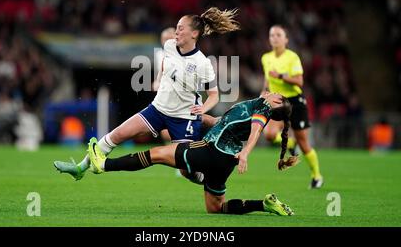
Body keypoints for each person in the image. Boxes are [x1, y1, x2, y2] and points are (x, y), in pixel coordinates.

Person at [54, 7, 241, 181]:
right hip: (157, 109)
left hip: (183, 118)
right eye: (176, 27)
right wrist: (160, 79)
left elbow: (214, 94)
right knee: (117, 134)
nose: (176, 32)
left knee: (186, 170)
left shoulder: (202, 63)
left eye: (180, 28)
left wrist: (203, 108)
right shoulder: (169, 46)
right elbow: (165, 64)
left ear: (194, 33)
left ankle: (208, 179)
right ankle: (80, 168)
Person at [87, 92, 297, 215]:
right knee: (216, 208)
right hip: (225, 162)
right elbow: (219, 122)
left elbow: (257, 128)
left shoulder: (264, 109)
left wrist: (246, 153)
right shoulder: (254, 106)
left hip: (211, 150)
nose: (271, 92)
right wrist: (199, 115)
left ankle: (103, 165)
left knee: (156, 154)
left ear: (276, 103)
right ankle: (264, 204)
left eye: (277, 95)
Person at [261, 25, 323, 189]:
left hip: (295, 101)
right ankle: (290, 144)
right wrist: (263, 93)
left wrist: (281, 76)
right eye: (272, 34)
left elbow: (299, 81)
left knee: (304, 142)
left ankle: (316, 175)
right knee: (268, 134)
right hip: (278, 101)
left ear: (286, 39)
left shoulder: (292, 57)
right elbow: (267, 80)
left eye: (278, 35)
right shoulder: (266, 58)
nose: (274, 37)